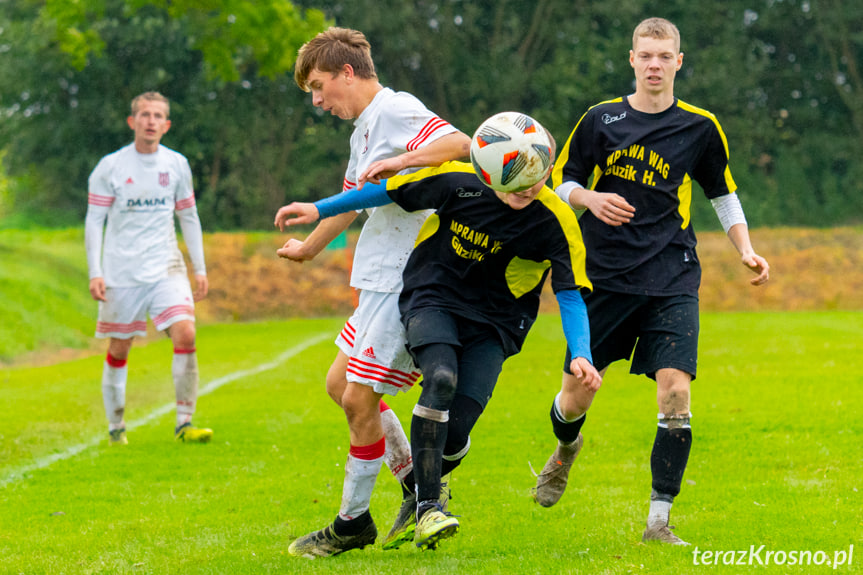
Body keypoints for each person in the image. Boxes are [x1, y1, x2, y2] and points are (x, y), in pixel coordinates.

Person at [276, 114, 602, 550]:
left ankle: (421, 496)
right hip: (433, 297)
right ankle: (430, 507)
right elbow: (386, 191)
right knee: (441, 379)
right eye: (516, 184)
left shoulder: (556, 220)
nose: (528, 190)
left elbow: (570, 295)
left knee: (459, 426)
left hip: (496, 324)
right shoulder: (458, 183)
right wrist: (318, 209)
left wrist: (580, 351)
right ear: (488, 173)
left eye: (537, 180)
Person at [531, 17, 770, 546]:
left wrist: (746, 250)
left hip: (672, 275)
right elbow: (560, 179)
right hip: (604, 278)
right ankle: (567, 450)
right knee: (574, 398)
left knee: (676, 391)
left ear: (678, 62)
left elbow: (722, 193)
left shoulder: (701, 127)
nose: (655, 65)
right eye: (646, 56)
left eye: (665, 57)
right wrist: (590, 198)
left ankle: (658, 522)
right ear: (632, 60)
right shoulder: (601, 118)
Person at [275, 27, 471, 558]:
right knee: (340, 385)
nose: (317, 101)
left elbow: (459, 144)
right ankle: (417, 489)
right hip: (378, 279)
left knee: (360, 396)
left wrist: (405, 161)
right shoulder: (364, 128)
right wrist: (311, 248)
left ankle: (352, 522)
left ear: (346, 72)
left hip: (406, 280)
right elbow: (353, 201)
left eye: (319, 86)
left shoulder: (394, 108)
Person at [85, 91, 212, 445]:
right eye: (144, 115)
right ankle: (116, 427)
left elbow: (188, 215)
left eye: (158, 115)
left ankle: (184, 423)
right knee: (120, 347)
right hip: (121, 270)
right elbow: (94, 221)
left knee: (186, 332)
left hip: (165, 266)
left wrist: (199, 268)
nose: (151, 121)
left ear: (167, 125)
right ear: (132, 122)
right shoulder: (110, 167)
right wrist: (95, 271)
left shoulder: (176, 165)